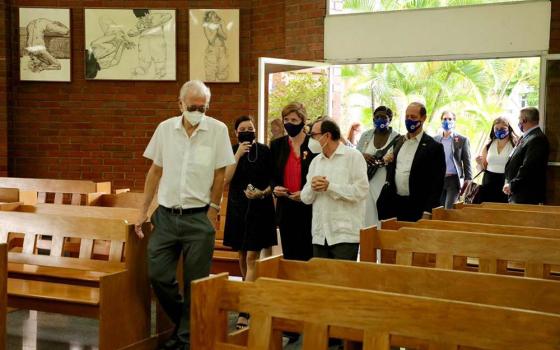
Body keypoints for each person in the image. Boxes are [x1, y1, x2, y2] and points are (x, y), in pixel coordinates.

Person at [135, 80, 235, 350]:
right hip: (166, 216)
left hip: (198, 218)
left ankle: (185, 340)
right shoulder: (165, 129)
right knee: (158, 275)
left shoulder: (217, 130)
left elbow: (219, 175)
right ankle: (186, 322)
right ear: (180, 104)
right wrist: (143, 210)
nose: (198, 111)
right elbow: (155, 171)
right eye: (193, 106)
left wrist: (214, 211)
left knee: (196, 283)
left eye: (203, 107)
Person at [223, 115, 277, 329]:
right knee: (242, 254)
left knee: (253, 256)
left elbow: (274, 179)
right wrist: (237, 154)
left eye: (251, 127)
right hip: (237, 208)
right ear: (236, 133)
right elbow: (226, 179)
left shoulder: (264, 151)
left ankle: (245, 309)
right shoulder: (230, 150)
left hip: (260, 207)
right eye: (243, 128)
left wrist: (263, 192)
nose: (247, 130)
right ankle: (250, 293)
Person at [301, 117, 368, 261]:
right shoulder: (315, 162)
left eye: (313, 135)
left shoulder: (353, 157)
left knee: (341, 281)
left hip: (344, 235)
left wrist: (330, 187)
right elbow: (305, 198)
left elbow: (361, 191)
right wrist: (312, 188)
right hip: (320, 235)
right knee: (320, 281)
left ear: (327, 135)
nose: (310, 140)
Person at [384, 102, 446, 221]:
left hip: (418, 207)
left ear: (423, 118)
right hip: (395, 205)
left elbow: (437, 183)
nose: (409, 120)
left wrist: (428, 211)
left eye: (413, 117)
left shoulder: (434, 147)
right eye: (407, 117)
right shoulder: (398, 141)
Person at [270, 102, 316, 261]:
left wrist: (305, 193)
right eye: (286, 120)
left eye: (294, 120)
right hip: (286, 205)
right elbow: (272, 174)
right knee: (290, 255)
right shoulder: (277, 145)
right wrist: (275, 187)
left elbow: (320, 173)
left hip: (309, 206)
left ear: (303, 121)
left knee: (308, 254)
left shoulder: (313, 145)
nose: (289, 124)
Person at [357, 106, 401, 227]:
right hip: (367, 179)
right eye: (377, 117)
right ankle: (368, 241)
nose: (380, 119)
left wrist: (388, 160)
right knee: (366, 213)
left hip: (385, 181)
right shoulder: (366, 135)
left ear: (390, 119)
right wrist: (363, 155)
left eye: (383, 117)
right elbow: (355, 155)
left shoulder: (397, 138)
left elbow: (398, 159)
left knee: (382, 212)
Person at [504, 107, 550, 204]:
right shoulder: (526, 136)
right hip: (518, 193)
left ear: (524, 120)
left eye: (519, 118)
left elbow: (529, 167)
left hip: (526, 195)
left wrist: (512, 185)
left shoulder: (537, 139)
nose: (518, 121)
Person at [434, 111, 472, 209]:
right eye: (445, 119)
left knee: (448, 210)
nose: (447, 121)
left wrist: (468, 179)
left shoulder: (462, 140)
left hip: (453, 180)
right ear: (441, 121)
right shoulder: (435, 139)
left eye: (450, 119)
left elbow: (467, 161)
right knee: (438, 210)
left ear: (454, 121)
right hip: (438, 180)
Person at [476, 117, 517, 203]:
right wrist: (479, 162)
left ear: (509, 128)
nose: (499, 131)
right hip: (489, 181)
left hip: (505, 181)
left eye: (502, 128)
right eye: (496, 129)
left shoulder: (515, 145)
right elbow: (483, 168)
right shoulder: (489, 145)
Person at [128, 9, 173, 79]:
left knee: (159, 56)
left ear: (149, 13)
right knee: (144, 56)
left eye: (144, 16)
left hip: (157, 39)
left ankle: (160, 72)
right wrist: (139, 30)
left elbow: (169, 16)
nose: (142, 19)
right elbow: (130, 33)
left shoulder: (156, 16)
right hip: (144, 41)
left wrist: (155, 23)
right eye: (140, 18)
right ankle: (142, 68)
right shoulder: (140, 23)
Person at [203, 10, 229, 81]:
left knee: (222, 70)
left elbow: (225, 37)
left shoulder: (220, 23)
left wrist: (219, 28)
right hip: (212, 50)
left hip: (222, 49)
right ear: (209, 18)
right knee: (211, 70)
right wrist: (216, 30)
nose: (215, 16)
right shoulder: (206, 26)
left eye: (215, 15)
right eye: (213, 16)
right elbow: (211, 41)